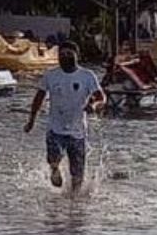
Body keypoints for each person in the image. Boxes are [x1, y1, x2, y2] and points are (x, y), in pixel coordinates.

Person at [24, 42, 105, 190]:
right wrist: (31, 121)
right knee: (53, 159)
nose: (65, 57)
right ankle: (55, 170)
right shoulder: (51, 75)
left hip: (78, 132)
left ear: (77, 56)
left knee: (77, 175)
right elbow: (39, 98)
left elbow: (100, 97)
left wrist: (93, 105)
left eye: (69, 54)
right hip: (55, 129)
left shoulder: (87, 76)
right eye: (61, 55)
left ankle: (73, 205)